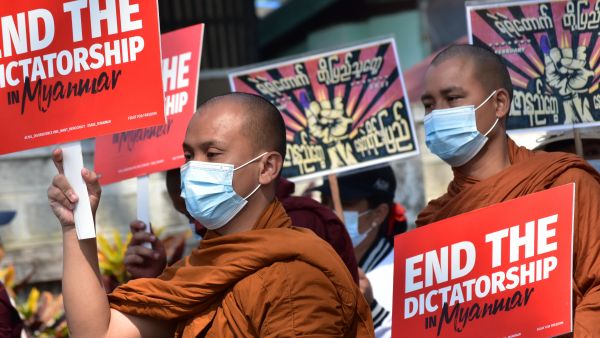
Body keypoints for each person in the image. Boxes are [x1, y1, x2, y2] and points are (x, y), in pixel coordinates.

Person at [48, 92, 374, 337]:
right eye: (188, 155)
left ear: (267, 167)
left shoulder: (293, 280)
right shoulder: (200, 270)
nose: (193, 168)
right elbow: (99, 333)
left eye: (212, 153)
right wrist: (75, 224)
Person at [417, 44, 600, 335]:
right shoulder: (434, 221)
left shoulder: (563, 183)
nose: (437, 115)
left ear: (499, 103)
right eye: (428, 105)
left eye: (452, 99)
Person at [126, 172, 359, 283]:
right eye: (188, 217)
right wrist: (156, 278)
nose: (196, 226)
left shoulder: (298, 223)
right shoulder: (223, 236)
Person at [318, 166, 408, 338]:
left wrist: (371, 309)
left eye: (345, 203)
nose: (329, 211)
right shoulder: (314, 265)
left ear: (379, 214)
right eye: (324, 200)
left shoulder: (407, 273)